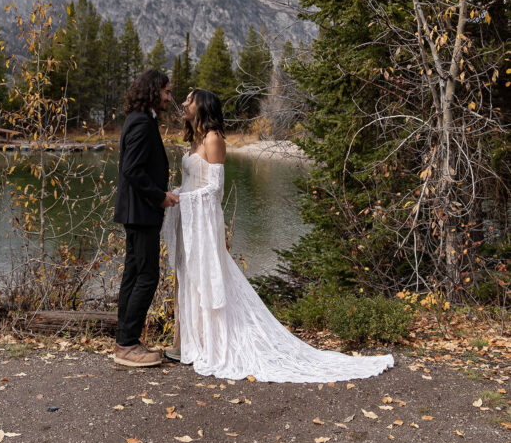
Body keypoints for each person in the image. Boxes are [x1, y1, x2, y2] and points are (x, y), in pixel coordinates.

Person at [163, 88, 395, 383]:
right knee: (189, 277)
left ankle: (213, 344)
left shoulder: (213, 138)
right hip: (189, 221)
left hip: (205, 222)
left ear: (203, 106)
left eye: (189, 100)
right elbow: (194, 182)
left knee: (208, 277)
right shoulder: (195, 139)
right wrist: (177, 194)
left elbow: (215, 189)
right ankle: (190, 342)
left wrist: (184, 199)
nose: (183, 103)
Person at [113, 69, 179, 367]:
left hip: (137, 212)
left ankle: (126, 340)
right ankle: (127, 345)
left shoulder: (140, 118)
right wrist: (160, 196)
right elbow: (132, 169)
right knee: (147, 276)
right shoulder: (141, 122)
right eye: (166, 91)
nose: (168, 97)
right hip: (141, 213)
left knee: (134, 274)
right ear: (154, 91)